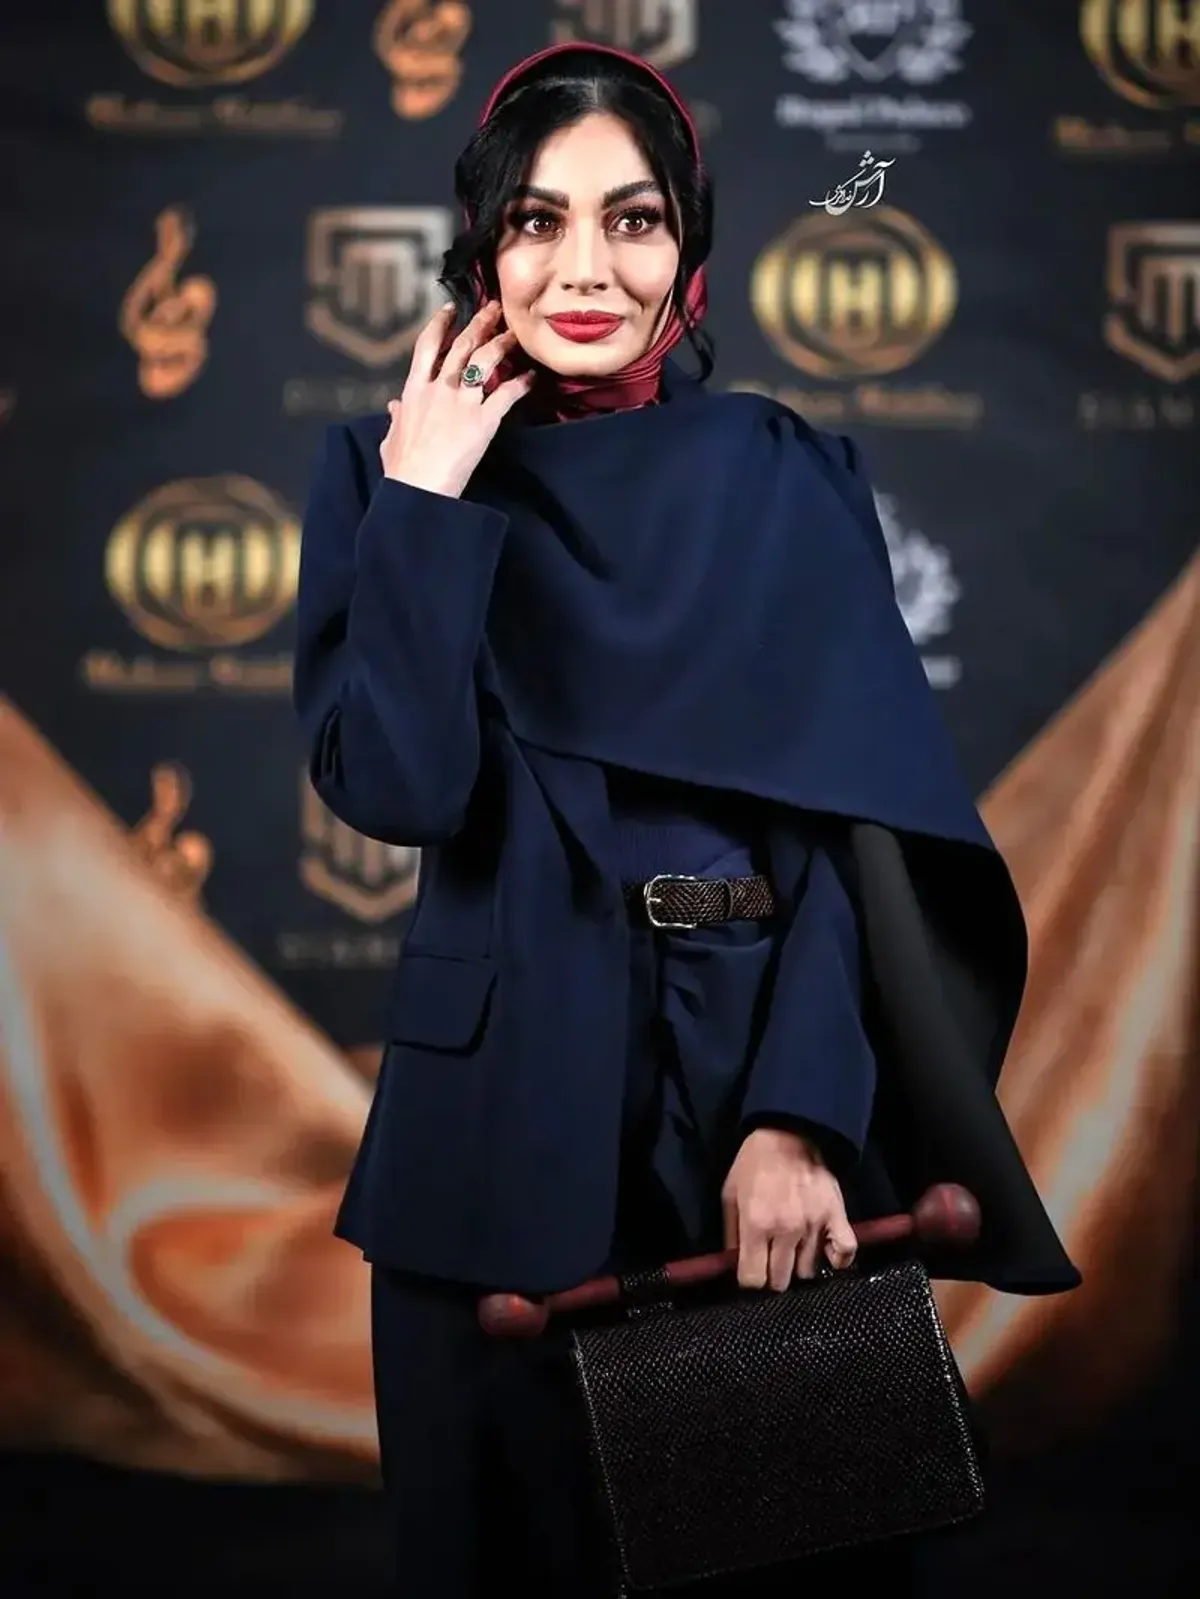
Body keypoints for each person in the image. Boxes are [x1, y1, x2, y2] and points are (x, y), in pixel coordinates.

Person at [293, 42, 1079, 1599]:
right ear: (481, 247)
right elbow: (399, 791)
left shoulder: (785, 474)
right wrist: (428, 509)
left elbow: (854, 837)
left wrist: (802, 1119)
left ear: (689, 250)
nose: (585, 267)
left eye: (633, 219)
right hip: (493, 1133)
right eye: (537, 220)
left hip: (754, 1112)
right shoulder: (384, 477)